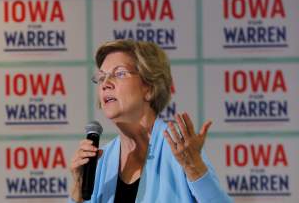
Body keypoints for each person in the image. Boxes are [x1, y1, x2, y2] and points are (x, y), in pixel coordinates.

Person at [68, 39, 232, 203]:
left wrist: (195, 170)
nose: (105, 84)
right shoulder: (100, 161)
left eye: (119, 73)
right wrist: (78, 190)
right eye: (102, 77)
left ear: (150, 88)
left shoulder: (181, 150)